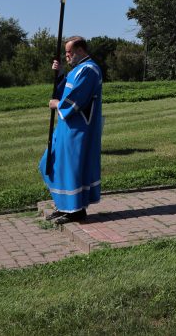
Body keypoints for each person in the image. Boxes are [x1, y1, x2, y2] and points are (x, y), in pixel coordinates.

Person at [41, 36, 103, 223]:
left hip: (78, 128)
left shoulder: (89, 70)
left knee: (71, 168)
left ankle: (75, 210)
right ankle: (65, 206)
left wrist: (57, 104)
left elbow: (75, 100)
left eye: (69, 52)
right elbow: (66, 89)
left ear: (81, 51)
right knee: (53, 164)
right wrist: (59, 74)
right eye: (66, 53)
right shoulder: (77, 70)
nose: (67, 56)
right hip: (67, 127)